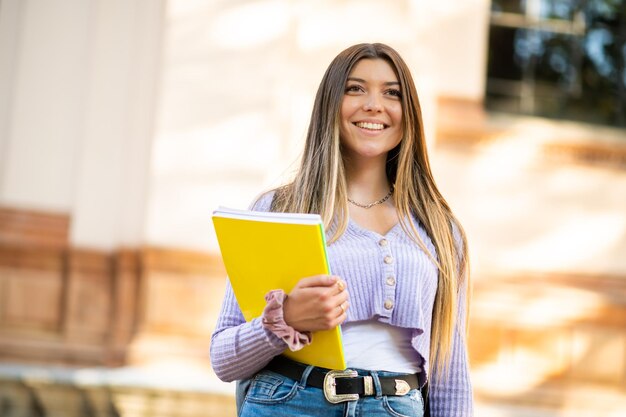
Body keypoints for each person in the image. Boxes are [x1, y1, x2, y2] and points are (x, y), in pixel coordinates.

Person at [210, 43, 473, 417]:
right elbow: (224, 359)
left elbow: (450, 371)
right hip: (289, 403)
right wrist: (286, 321)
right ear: (331, 104)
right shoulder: (280, 210)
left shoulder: (440, 230)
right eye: (355, 88)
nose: (373, 104)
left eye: (392, 93)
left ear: (409, 113)